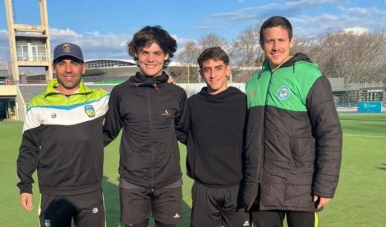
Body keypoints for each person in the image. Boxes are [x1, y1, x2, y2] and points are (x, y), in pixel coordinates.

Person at [243, 16, 343, 227]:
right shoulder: (254, 82)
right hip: (262, 190)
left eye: (281, 40)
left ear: (291, 41)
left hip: (301, 190)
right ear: (262, 44)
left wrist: (325, 185)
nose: (276, 46)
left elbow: (330, 132)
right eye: (270, 41)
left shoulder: (310, 76)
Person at [102, 25, 187, 227]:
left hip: (169, 182)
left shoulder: (176, 94)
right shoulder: (121, 93)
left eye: (157, 53)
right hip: (133, 182)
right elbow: (107, 133)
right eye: (145, 52)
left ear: (166, 55)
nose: (151, 59)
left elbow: (187, 134)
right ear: (136, 54)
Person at [17, 42, 109, 227]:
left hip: (89, 191)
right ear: (54, 67)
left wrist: (163, 81)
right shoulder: (37, 104)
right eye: (62, 63)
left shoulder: (100, 98)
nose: (68, 69)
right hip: (53, 192)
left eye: (74, 63)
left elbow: (130, 101)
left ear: (83, 68)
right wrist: (25, 186)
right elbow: (29, 148)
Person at [184, 47, 250, 227]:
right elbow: (183, 133)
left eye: (218, 68)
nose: (213, 75)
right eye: (207, 69)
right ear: (201, 73)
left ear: (228, 69)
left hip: (238, 188)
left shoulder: (244, 102)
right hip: (204, 188)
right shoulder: (192, 104)